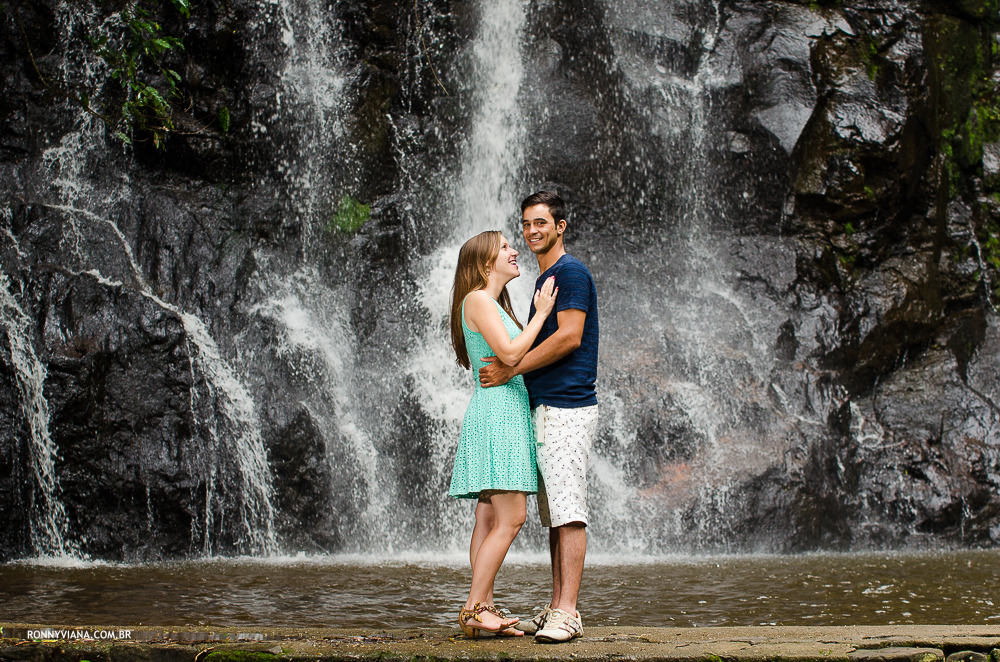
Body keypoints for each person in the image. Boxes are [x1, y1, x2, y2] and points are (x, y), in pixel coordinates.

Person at [479, 191, 599, 643]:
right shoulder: (544, 279)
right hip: (545, 408)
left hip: (568, 406)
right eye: (526, 224)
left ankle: (568, 611)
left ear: (560, 226)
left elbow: (570, 337)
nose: (531, 231)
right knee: (556, 513)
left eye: (541, 223)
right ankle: (556, 607)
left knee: (569, 511)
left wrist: (512, 369)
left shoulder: (570, 273)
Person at [448, 229, 558, 639]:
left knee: (489, 516)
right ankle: (474, 608)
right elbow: (511, 355)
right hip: (499, 415)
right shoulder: (478, 299)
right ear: (484, 262)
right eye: (506, 247)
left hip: (497, 411)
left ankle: (485, 606)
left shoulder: (491, 304)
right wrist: (542, 315)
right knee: (512, 518)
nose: (515, 251)